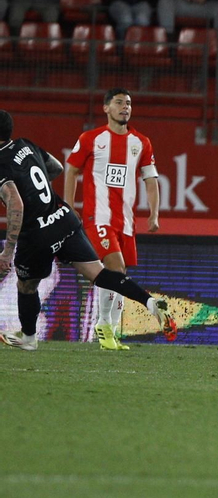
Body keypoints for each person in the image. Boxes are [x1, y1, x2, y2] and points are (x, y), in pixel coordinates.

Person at [0, 110, 175, 351]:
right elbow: (56, 167)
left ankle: (29, 338)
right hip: (64, 218)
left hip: (37, 232)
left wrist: (8, 252)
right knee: (100, 274)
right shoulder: (25, 144)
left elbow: (15, 203)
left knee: (26, 286)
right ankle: (150, 302)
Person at [60, 89, 163, 351]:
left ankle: (113, 332)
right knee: (115, 268)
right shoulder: (91, 139)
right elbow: (71, 170)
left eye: (128, 103)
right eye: (118, 103)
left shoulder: (141, 142)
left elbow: (150, 179)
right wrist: (70, 207)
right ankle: (103, 325)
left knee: (120, 276)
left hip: (126, 222)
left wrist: (154, 213)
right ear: (106, 108)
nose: (124, 107)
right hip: (99, 218)